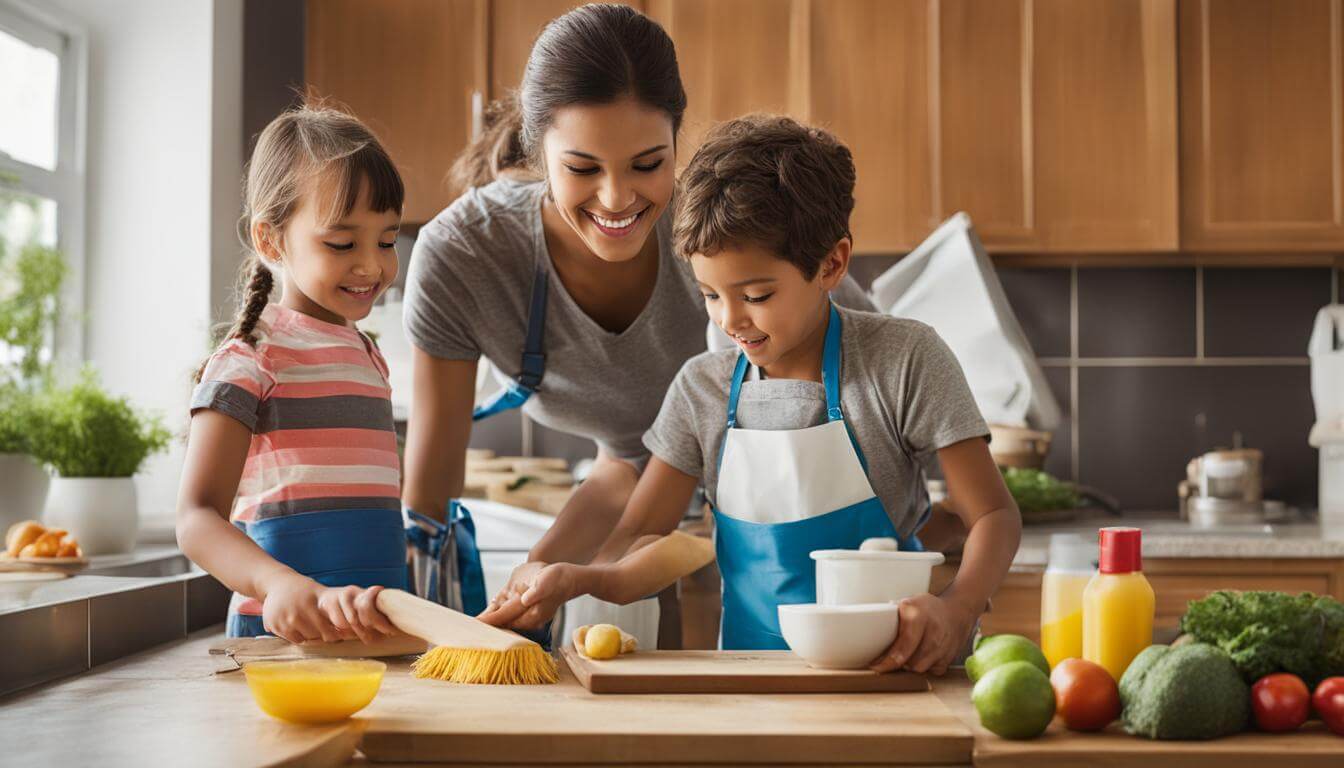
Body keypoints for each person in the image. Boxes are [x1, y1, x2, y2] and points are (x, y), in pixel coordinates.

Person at [483, 115, 1022, 675]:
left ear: (831, 264)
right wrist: (578, 577)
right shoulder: (703, 390)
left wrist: (957, 608)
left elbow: (992, 515)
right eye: (710, 294)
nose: (731, 320)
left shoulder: (903, 360)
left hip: (892, 675)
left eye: (757, 294)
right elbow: (640, 541)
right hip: (748, 680)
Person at [402, 4, 874, 637]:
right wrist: (519, 585)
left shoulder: (722, 227)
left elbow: (882, 372)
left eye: (649, 165)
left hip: (811, 525)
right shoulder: (466, 256)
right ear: (537, 151)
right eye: (582, 168)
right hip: (647, 508)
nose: (617, 199)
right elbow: (430, 507)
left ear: (679, 142)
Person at [176, 104, 407, 642]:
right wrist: (276, 584)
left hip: (373, 639)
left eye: (387, 240)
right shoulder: (252, 359)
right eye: (342, 243)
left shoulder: (368, 356)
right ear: (271, 240)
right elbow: (196, 518)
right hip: (281, 647)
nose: (372, 265)